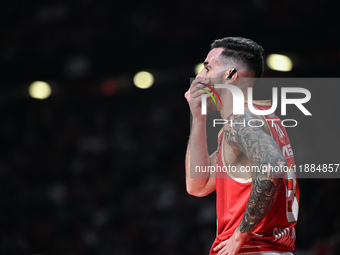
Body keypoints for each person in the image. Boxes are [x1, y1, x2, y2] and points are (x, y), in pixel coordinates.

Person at [184, 37, 299, 255]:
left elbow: (273, 165)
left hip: (251, 250)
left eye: (207, 68)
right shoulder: (265, 120)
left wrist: (239, 237)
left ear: (231, 75)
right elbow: (197, 186)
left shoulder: (241, 122)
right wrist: (198, 119)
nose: (199, 77)